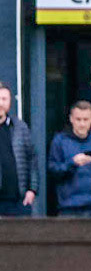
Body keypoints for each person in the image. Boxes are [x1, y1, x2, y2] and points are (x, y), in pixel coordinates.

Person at [48, 100, 91, 216]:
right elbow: (52, 170)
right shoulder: (60, 141)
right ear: (71, 119)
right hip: (68, 207)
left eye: (85, 120)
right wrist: (72, 163)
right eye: (78, 119)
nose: (82, 124)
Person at [0, 83, 38, 216]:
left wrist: (32, 189)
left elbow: (32, 159)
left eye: (4, 99)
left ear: (10, 101)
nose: (0, 103)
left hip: (19, 201)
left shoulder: (20, 127)